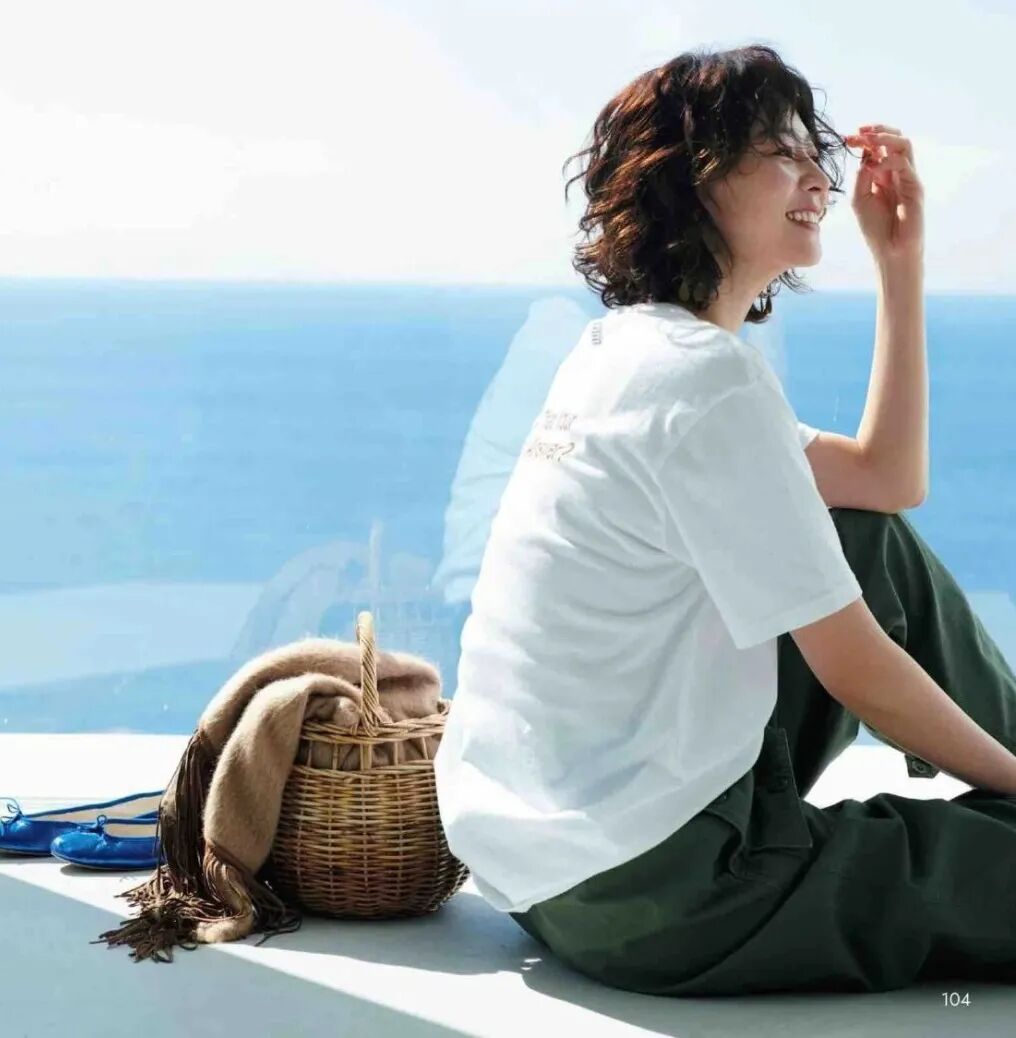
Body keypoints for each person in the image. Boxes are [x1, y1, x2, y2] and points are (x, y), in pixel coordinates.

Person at [433, 42, 1016, 995]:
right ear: (691, 179)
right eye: (783, 153)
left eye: (816, 156)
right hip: (673, 895)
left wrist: (898, 262)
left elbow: (883, 482)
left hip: (551, 871)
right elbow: (855, 667)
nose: (820, 179)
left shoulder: (623, 354)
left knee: (862, 535)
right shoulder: (706, 383)